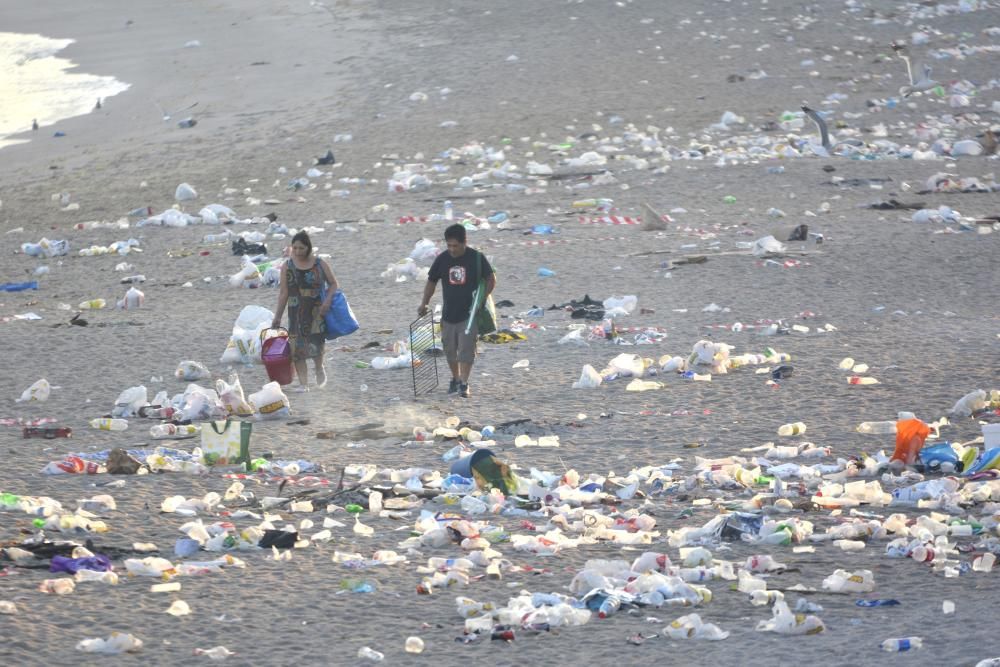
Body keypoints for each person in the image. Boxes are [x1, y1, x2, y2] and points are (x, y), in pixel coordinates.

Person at [419, 224, 495, 398]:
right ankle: (455, 378)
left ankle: (464, 383)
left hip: (469, 315)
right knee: (450, 350)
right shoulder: (442, 259)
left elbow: (491, 279)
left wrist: (482, 298)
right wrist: (424, 303)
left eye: (455, 245)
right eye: (449, 245)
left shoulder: (476, 258)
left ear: (464, 242)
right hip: (448, 315)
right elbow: (431, 282)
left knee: (466, 350)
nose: (452, 249)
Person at [272, 231, 338, 391]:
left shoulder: (319, 264)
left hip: (317, 310)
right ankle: (303, 384)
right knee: (296, 348)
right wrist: (277, 317)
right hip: (295, 311)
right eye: (294, 248)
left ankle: (319, 368)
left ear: (308, 248)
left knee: (316, 343)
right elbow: (284, 293)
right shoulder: (288, 266)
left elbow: (333, 284)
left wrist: (328, 301)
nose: (298, 251)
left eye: (301, 248)